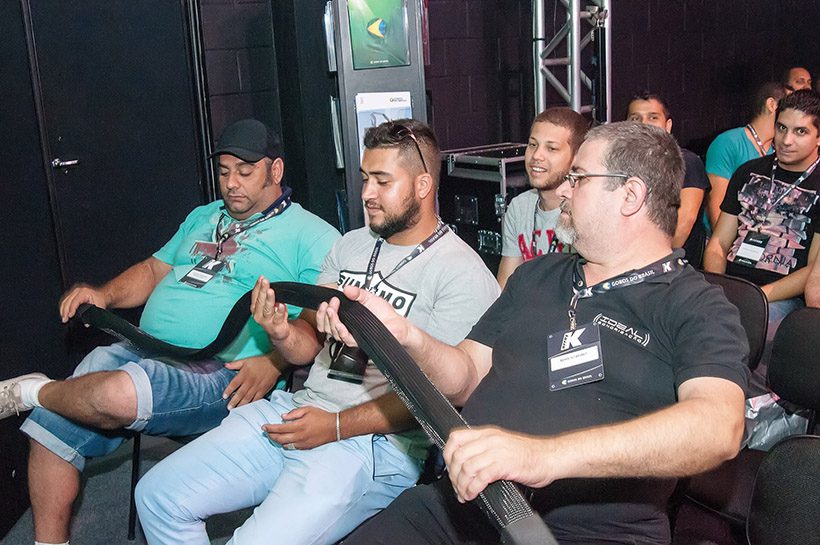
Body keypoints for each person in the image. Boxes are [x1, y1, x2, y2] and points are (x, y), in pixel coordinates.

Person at [322, 122, 749, 545]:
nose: (563, 190)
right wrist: (405, 335)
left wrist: (542, 456)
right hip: (464, 507)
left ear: (630, 195)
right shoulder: (536, 275)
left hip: (587, 534)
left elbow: (719, 427)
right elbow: (465, 376)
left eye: (578, 178)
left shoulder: (695, 305)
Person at [134, 119, 500, 545]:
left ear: (422, 186)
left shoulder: (462, 273)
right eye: (365, 178)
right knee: (157, 495)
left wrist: (337, 426)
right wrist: (279, 331)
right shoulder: (350, 245)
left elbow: (439, 398)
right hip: (301, 410)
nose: (366, 193)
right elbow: (306, 347)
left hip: (376, 444)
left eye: (382, 181)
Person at [0, 119, 340, 545]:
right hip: (146, 348)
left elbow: (315, 327)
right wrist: (103, 294)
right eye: (224, 171)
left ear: (276, 170)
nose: (231, 183)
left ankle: (33, 391)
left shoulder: (313, 236)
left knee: (113, 393)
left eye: (245, 172)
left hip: (221, 370)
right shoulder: (204, 216)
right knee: (52, 423)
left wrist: (273, 362)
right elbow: (152, 270)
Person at [704, 89, 820, 393]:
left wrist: (758, 297)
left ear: (819, 137)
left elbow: (813, 271)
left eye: (800, 132)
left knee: (753, 336)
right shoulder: (748, 172)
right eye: (781, 128)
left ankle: (752, 409)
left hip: (781, 294)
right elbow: (718, 242)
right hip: (733, 284)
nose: (786, 140)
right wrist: (718, 287)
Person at [496, 108, 588, 288]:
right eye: (532, 145)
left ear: (576, 158)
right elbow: (505, 286)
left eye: (551, 148)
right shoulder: (519, 206)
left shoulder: (585, 211)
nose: (537, 156)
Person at [627, 91, 710, 267]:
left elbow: (685, 220)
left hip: (670, 267)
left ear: (668, 125)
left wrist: (652, 264)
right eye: (635, 118)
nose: (644, 124)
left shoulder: (686, 162)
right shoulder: (620, 166)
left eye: (653, 117)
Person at [705, 82, 788, 229]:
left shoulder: (779, 151)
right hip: (727, 237)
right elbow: (717, 210)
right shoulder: (729, 142)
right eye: (787, 105)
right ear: (772, 105)